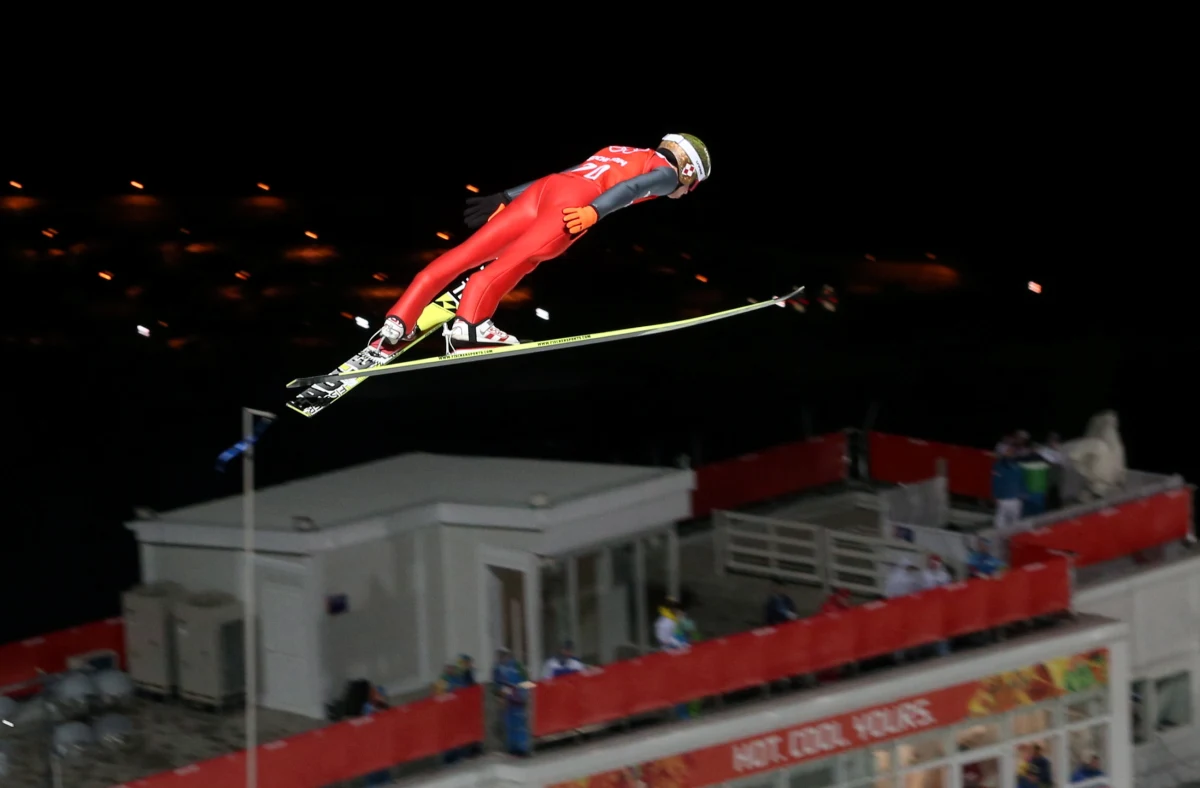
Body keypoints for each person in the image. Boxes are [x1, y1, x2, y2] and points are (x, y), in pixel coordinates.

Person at [372, 134, 711, 354]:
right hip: (574, 203)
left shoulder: (619, 150)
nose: (685, 193)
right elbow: (631, 189)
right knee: (521, 259)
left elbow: (572, 170)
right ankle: (471, 325)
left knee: (467, 254)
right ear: (687, 171)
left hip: (545, 190)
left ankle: (399, 319)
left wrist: (507, 196)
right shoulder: (667, 174)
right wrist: (594, 211)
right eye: (693, 185)